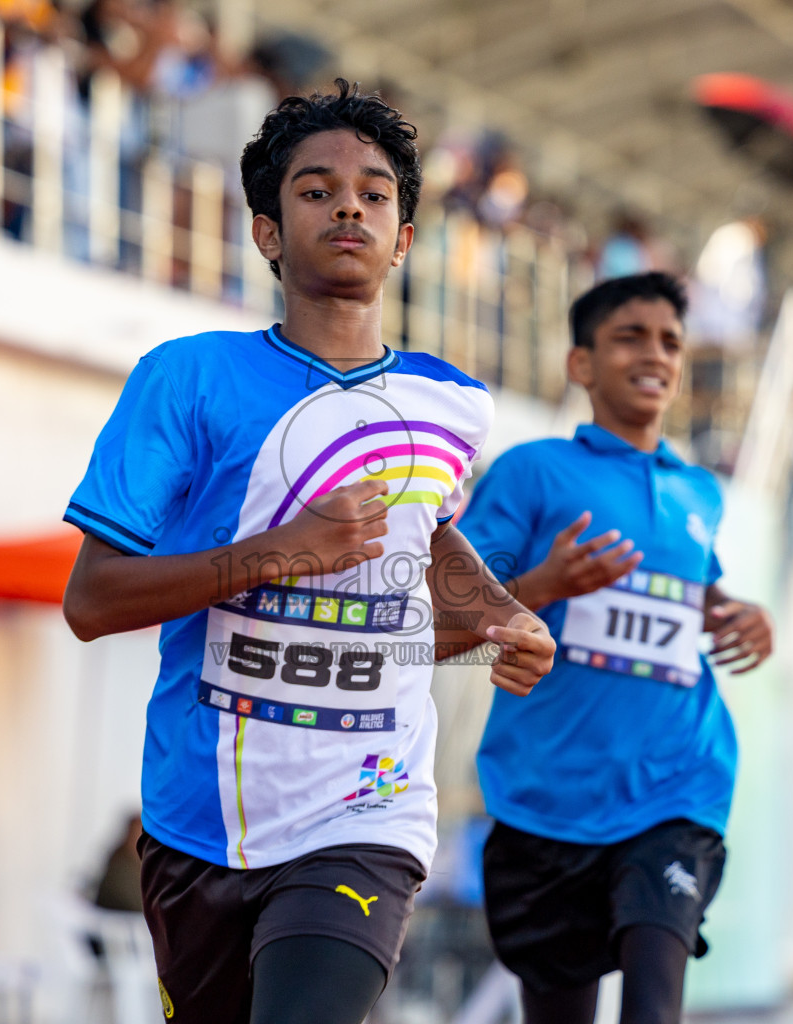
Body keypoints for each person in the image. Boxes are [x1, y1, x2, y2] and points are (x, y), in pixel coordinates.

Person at [61, 80, 556, 1024]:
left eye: (375, 195)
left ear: (404, 239)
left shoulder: (453, 406)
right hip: (198, 822)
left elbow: (429, 543)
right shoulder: (188, 380)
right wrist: (280, 553)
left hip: (367, 813)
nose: (349, 209)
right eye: (317, 189)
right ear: (267, 231)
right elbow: (92, 602)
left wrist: (500, 617)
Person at [451, 272, 775, 1024]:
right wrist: (547, 582)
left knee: (653, 1009)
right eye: (630, 336)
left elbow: (699, 595)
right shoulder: (532, 471)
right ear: (581, 364)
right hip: (546, 797)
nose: (655, 354)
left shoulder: (700, 491)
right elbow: (459, 606)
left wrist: (743, 617)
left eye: (670, 341)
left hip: (676, 787)